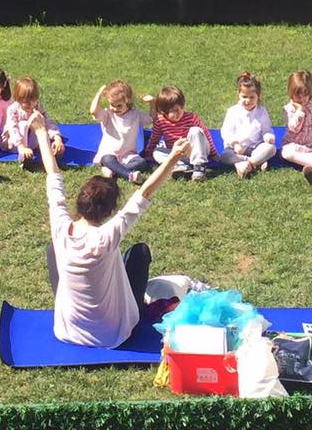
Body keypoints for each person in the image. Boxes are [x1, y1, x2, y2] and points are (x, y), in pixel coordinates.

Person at [33, 110, 190, 348]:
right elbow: (145, 192)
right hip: (113, 335)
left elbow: (53, 175)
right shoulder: (106, 236)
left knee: (52, 249)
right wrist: (174, 156)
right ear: (109, 210)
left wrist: (40, 131)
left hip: (68, 330)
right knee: (139, 252)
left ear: (79, 201)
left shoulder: (61, 228)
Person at [143, 86, 217, 182]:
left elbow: (205, 134)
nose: (179, 112)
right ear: (164, 111)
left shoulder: (191, 117)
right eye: (174, 111)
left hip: (195, 150)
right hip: (178, 154)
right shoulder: (160, 121)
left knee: (196, 131)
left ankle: (199, 167)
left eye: (181, 108)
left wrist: (214, 153)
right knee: (157, 152)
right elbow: (154, 138)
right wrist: (148, 153)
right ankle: (180, 167)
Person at [90, 80, 155, 184]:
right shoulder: (107, 114)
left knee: (142, 163)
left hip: (128, 154)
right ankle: (129, 175)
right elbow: (93, 111)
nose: (115, 108)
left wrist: (152, 102)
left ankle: (113, 171)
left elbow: (151, 118)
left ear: (127, 102)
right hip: (109, 153)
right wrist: (98, 94)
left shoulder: (135, 115)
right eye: (112, 105)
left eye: (119, 106)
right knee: (107, 159)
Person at [219, 71, 276, 178]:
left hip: (255, 147)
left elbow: (266, 129)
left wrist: (268, 136)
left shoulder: (262, 112)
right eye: (244, 97)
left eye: (252, 97)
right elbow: (226, 132)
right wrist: (235, 143)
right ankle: (255, 162)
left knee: (271, 149)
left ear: (258, 96)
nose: (248, 100)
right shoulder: (232, 111)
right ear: (238, 95)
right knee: (225, 156)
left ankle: (246, 164)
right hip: (236, 150)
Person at [0, 76, 64, 166]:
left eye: (33, 100)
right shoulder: (13, 109)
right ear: (18, 98)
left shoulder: (37, 108)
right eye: (25, 101)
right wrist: (21, 146)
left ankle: (53, 151)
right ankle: (24, 157)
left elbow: (48, 123)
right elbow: (12, 128)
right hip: (14, 143)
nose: (29, 104)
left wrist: (57, 138)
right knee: (24, 124)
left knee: (39, 122)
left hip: (31, 143)